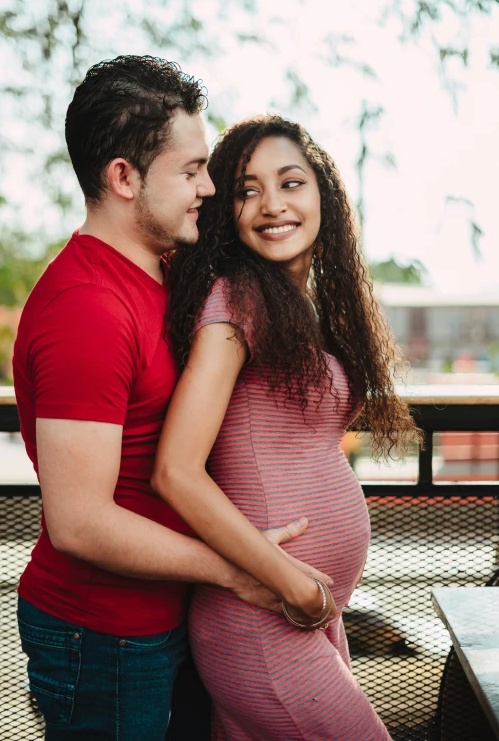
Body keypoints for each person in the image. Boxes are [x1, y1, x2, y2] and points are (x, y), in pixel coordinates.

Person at [13, 59, 334, 740]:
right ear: (124, 177)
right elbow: (77, 521)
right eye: (190, 171)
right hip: (101, 640)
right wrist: (240, 566)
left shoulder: (160, 275)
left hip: (164, 620)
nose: (209, 187)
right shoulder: (86, 308)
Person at [153, 116, 421, 740]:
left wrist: (307, 593)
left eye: (290, 182)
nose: (271, 204)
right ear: (228, 211)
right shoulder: (237, 302)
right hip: (264, 613)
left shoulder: (299, 308)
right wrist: (291, 583)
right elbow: (175, 471)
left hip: (303, 607)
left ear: (323, 195)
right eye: (246, 189)